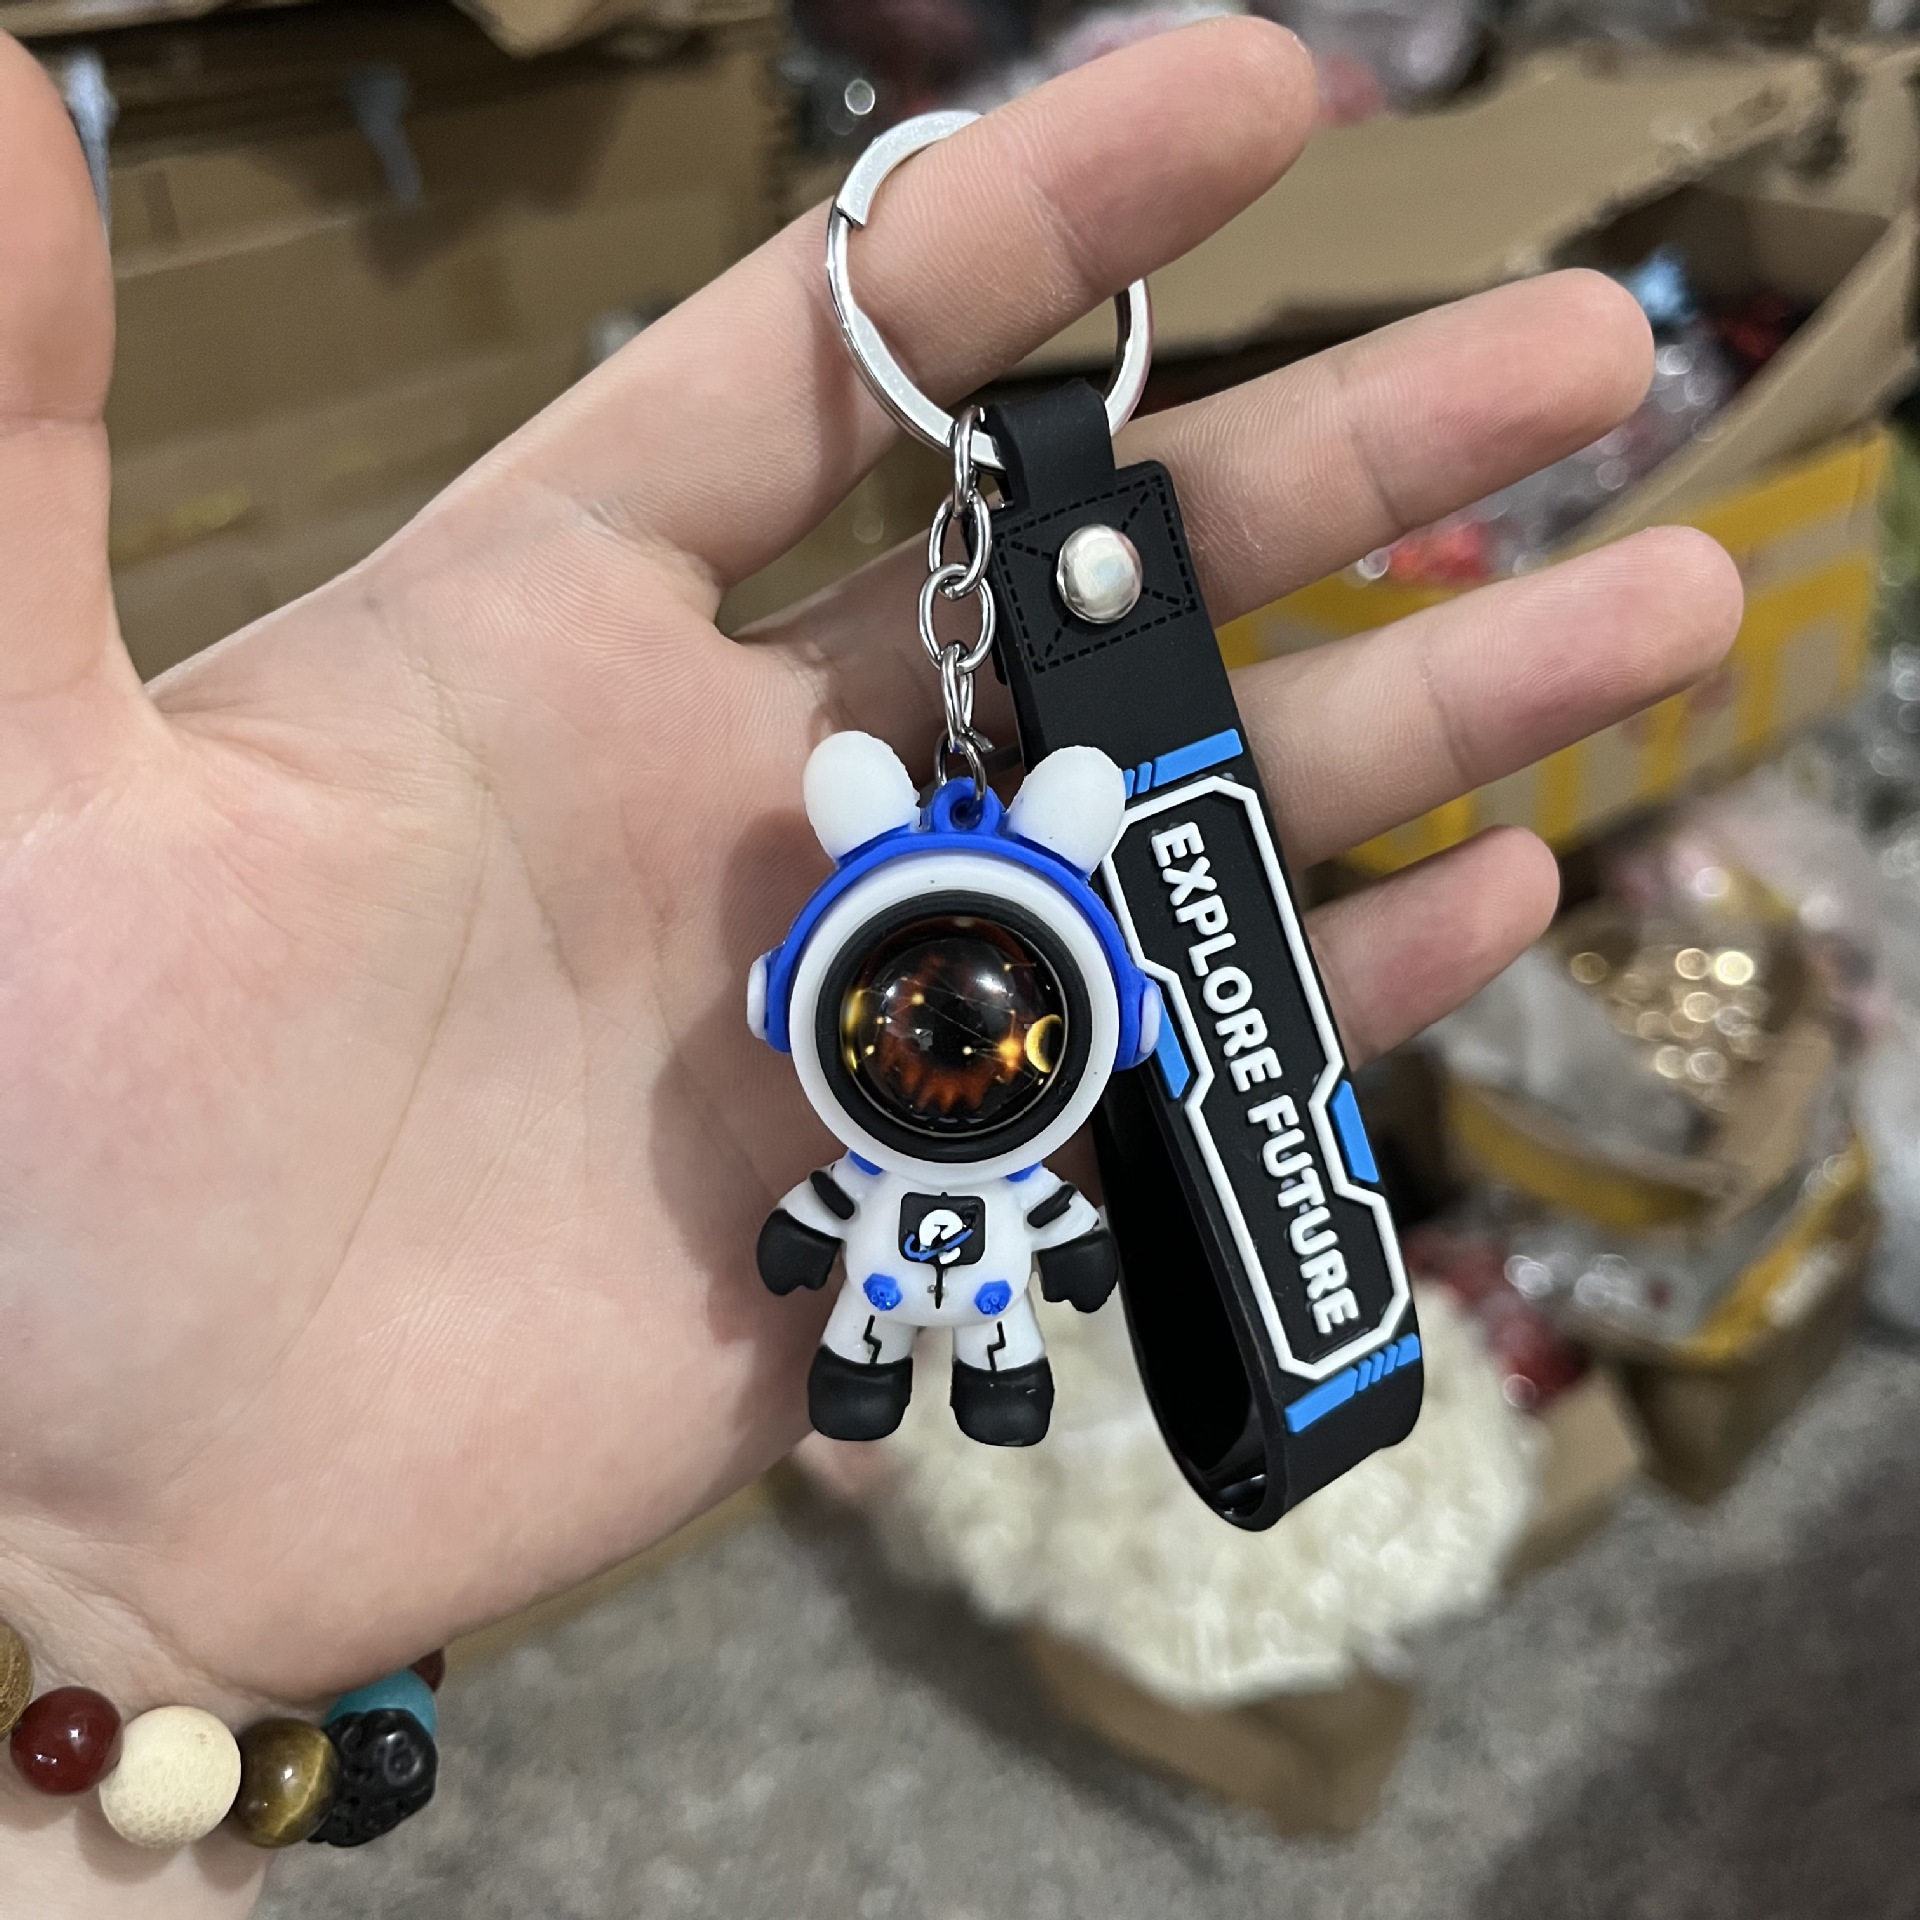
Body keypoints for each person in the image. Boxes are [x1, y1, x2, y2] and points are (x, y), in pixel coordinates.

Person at [0, 15, 1739, 1913]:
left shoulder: (1002, 1006)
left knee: (976, 1321)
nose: (954, 1039)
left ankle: (989, 1377)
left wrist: (127, 1607)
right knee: (903, 1329)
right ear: (804, 1004)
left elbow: (1044, 1189)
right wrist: (102, 1583)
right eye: (910, 1025)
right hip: (912, 1165)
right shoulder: (884, 1025)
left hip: (957, 1146)